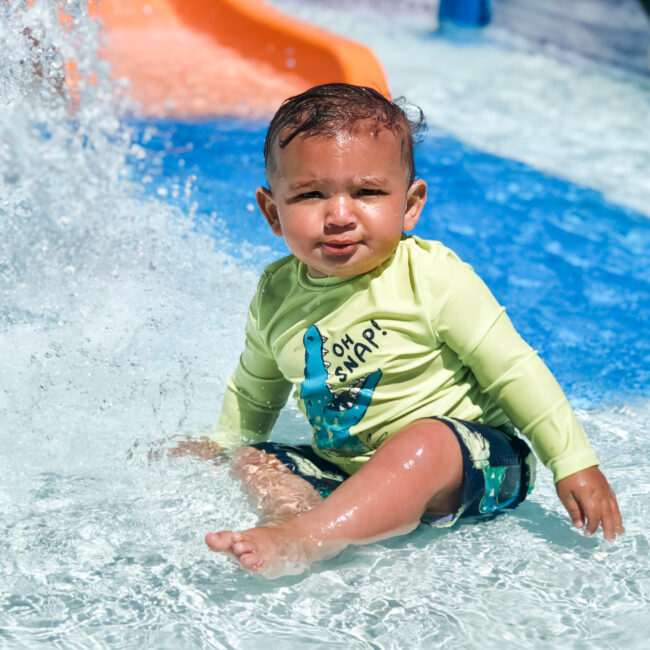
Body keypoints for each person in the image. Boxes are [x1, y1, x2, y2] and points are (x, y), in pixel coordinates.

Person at [192, 83, 623, 578]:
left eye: (368, 192)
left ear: (410, 204)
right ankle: (296, 520)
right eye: (310, 194)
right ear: (273, 212)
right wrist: (222, 443)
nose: (339, 215)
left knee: (424, 443)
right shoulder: (276, 294)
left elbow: (514, 370)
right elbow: (255, 389)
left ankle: (311, 537)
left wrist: (572, 460)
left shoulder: (431, 278)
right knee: (254, 459)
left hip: (476, 463)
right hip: (352, 469)